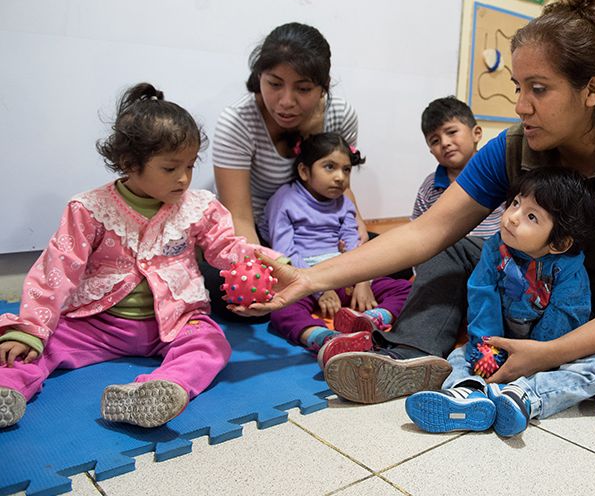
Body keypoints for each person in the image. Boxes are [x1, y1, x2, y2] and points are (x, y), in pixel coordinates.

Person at [236, 0, 595, 411]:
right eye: (517, 87)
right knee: (457, 249)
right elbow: (427, 230)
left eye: (539, 89)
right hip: (538, 288)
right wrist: (308, 276)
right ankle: (411, 355)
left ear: (591, 89)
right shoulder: (514, 146)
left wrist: (547, 353)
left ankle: (558, 355)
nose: (520, 106)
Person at [0, 83, 279, 429]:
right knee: (32, 345)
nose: (183, 179)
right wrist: (30, 328)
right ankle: (7, 388)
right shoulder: (89, 209)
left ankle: (165, 388)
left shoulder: (198, 207)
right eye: (170, 168)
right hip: (97, 322)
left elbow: (225, 247)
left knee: (211, 344)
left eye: (190, 166)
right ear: (129, 163)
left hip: (173, 322)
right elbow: (57, 269)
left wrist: (262, 259)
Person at [405, 167, 595, 437]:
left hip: (550, 351)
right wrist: (485, 347)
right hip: (501, 342)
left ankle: (524, 396)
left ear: (559, 243)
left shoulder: (569, 269)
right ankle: (468, 394)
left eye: (531, 216)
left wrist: (536, 357)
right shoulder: (495, 248)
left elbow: (566, 316)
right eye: (515, 203)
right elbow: (481, 293)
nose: (512, 218)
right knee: (459, 354)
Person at [212, 22, 366, 247]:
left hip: (318, 227)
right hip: (259, 230)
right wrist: (274, 268)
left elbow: (341, 187)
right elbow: (239, 218)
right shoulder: (237, 123)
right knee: (220, 276)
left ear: (324, 86)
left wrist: (356, 222)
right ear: (259, 77)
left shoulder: (341, 115)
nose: (286, 102)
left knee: (393, 264)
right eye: (274, 84)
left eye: (303, 89)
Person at [264, 132, 411, 355]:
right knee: (280, 309)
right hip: (303, 278)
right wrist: (318, 288)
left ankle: (370, 321)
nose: (340, 177)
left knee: (407, 288)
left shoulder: (343, 203)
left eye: (346, 170)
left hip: (342, 274)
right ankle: (323, 338)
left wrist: (362, 283)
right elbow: (285, 251)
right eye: (329, 167)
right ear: (304, 171)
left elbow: (354, 244)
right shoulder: (284, 200)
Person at [412, 96, 503, 238]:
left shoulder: (498, 173)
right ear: (431, 151)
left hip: (495, 254)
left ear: (476, 134)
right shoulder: (429, 187)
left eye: (451, 132)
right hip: (448, 255)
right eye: (435, 141)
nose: (445, 143)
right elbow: (416, 231)